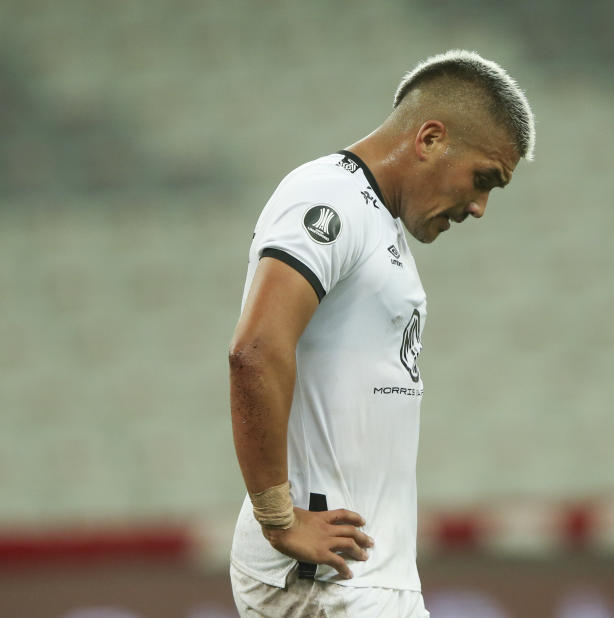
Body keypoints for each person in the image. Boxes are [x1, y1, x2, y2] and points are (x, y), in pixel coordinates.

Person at [227, 50, 535, 617]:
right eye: (482, 179)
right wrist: (278, 517)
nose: (480, 206)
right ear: (430, 139)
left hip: (360, 580)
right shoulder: (329, 197)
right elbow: (256, 349)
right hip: (332, 581)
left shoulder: (376, 222)